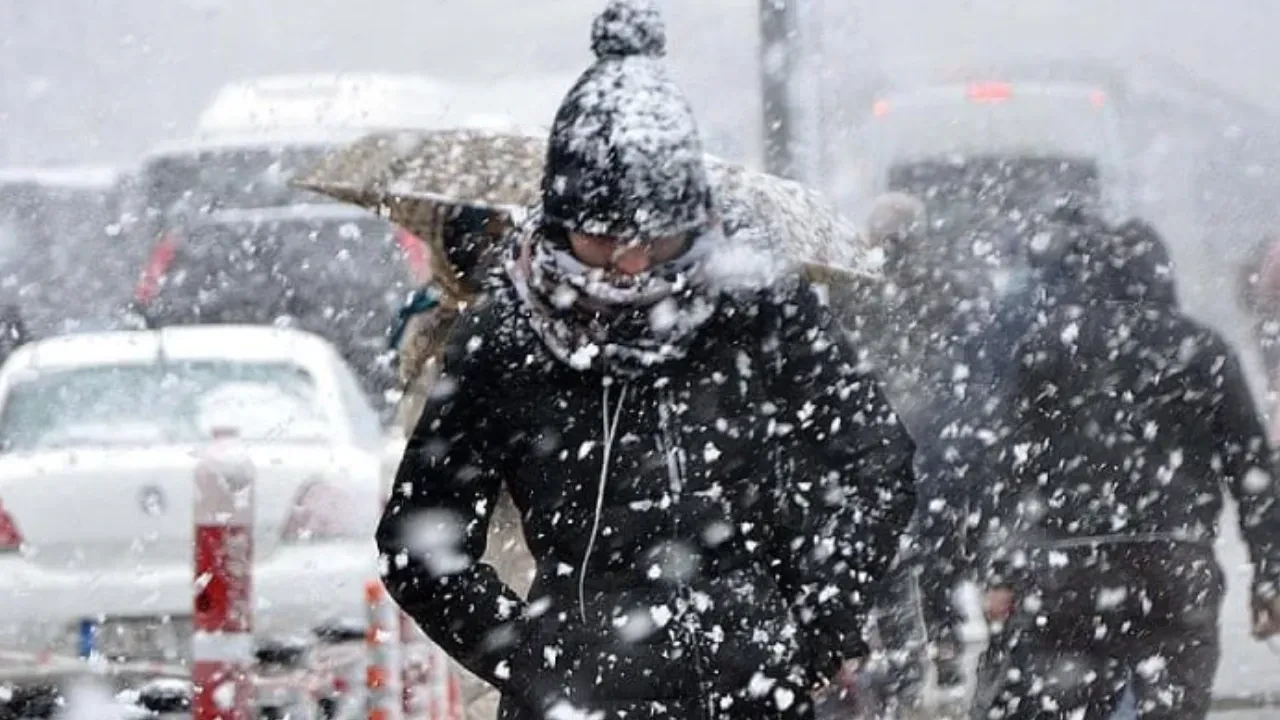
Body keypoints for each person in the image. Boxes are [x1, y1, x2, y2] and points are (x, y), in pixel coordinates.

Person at [375, 2, 918, 719]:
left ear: (693, 216)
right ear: (561, 217)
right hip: (579, 697)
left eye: (656, 239)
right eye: (603, 238)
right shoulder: (505, 337)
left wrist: (818, 623)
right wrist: (531, 659)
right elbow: (420, 541)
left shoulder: (757, 308)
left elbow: (875, 462)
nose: (631, 262)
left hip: (751, 692)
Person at [972, 214, 1280, 720]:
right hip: (1175, 559)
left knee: (1070, 699)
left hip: (1066, 566)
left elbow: (1005, 465)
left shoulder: (1047, 346)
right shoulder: (1201, 349)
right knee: (1171, 701)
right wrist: (1267, 572)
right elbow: (1251, 466)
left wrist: (1001, 570)